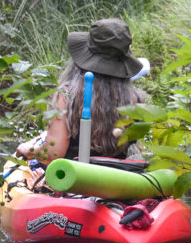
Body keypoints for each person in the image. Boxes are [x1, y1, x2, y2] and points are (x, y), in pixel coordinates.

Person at [16, 18, 147, 164]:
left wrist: (28, 150)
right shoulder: (136, 100)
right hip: (117, 181)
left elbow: (53, 154)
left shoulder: (67, 95)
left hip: (73, 181)